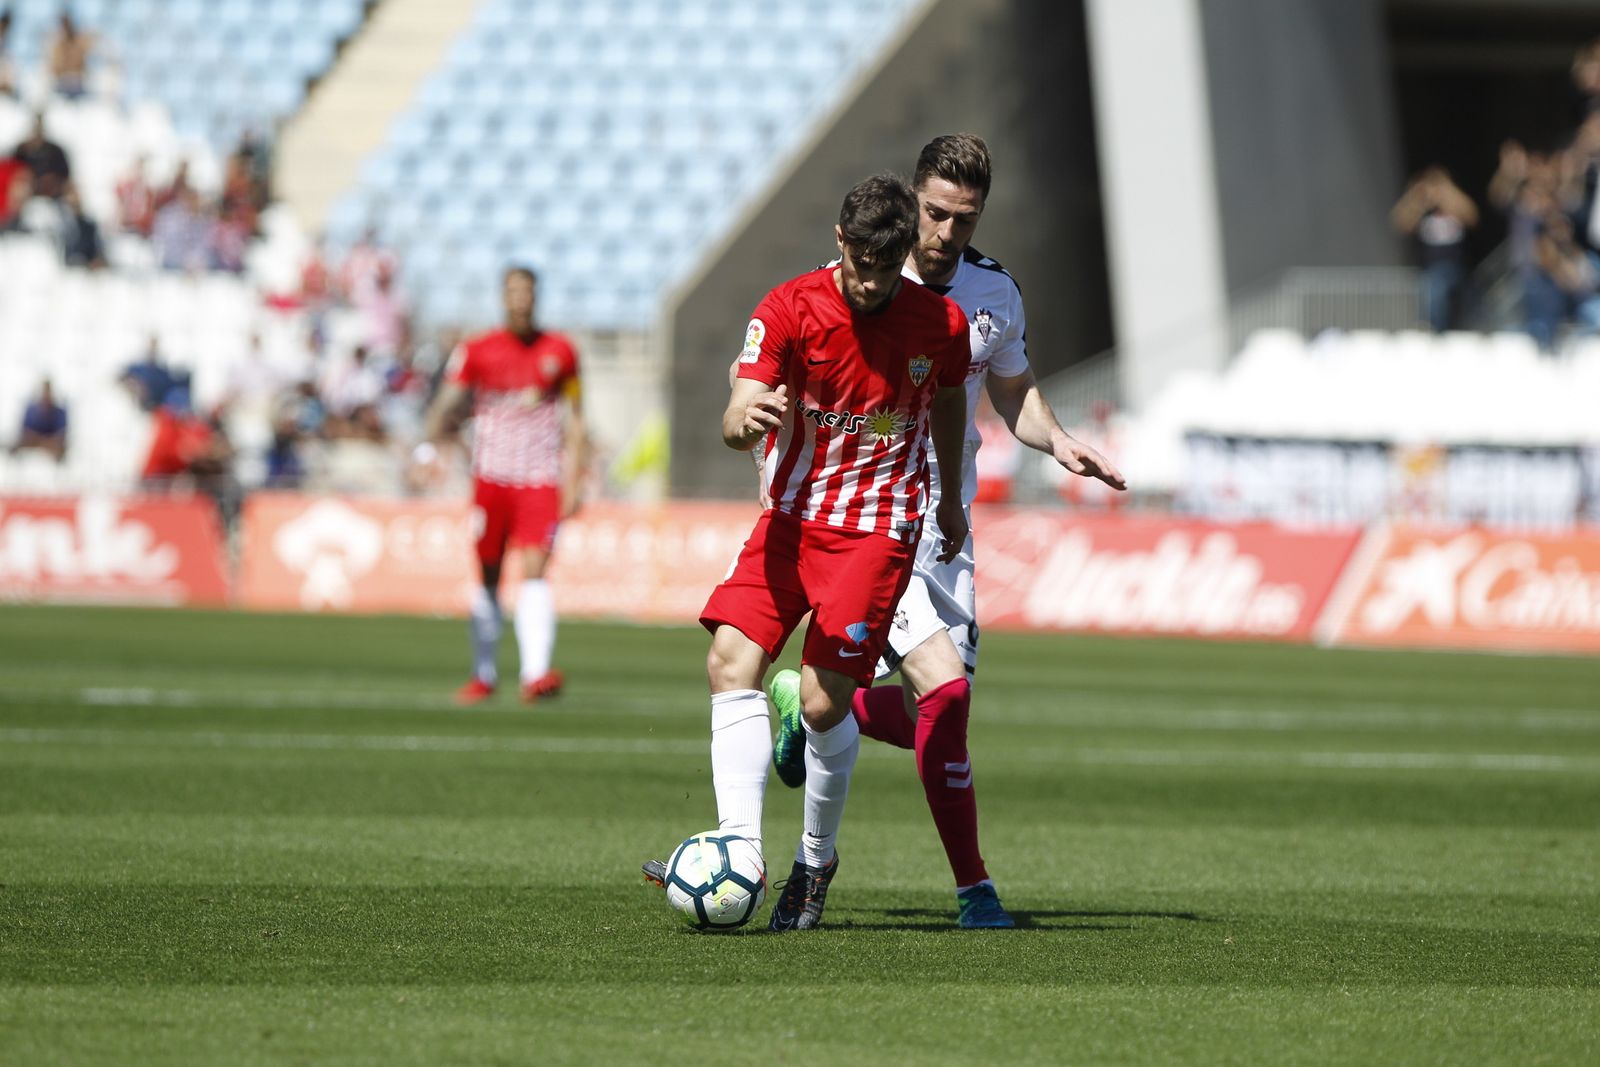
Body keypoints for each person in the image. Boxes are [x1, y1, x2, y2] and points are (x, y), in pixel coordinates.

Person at [766, 135, 1126, 929]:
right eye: (934, 212)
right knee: (949, 693)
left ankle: (818, 705)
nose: (944, 233)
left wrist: (1057, 439)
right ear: (912, 198)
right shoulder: (866, 281)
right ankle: (975, 890)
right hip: (873, 521)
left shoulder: (995, 293)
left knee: (942, 710)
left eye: (963, 219)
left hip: (947, 529)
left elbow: (1012, 387)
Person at [645, 173, 974, 933]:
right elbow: (738, 407)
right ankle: (743, 850)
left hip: (875, 532)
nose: (868, 281)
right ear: (840, 242)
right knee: (731, 661)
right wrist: (743, 417)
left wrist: (951, 498)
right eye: (859, 263)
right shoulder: (789, 307)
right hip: (790, 521)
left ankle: (816, 859)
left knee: (824, 705)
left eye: (884, 269)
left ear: (905, 258)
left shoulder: (940, 324)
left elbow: (951, 397)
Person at [418, 265, 587, 704]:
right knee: (489, 575)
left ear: (536, 296)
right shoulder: (477, 351)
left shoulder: (561, 352)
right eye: (513, 292)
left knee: (535, 570)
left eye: (527, 292)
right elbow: (445, 404)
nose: (520, 300)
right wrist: (429, 446)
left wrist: (575, 477)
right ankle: (484, 673)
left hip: (539, 481)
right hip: (491, 480)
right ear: (503, 297)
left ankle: (535, 674)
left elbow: (576, 418)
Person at [1390, 166, 1478, 332]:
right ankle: (1434, 331)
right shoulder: (1423, 211)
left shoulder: (1455, 207)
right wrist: (1416, 196)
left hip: (1457, 268)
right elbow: (1400, 223)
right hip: (1430, 269)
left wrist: (1447, 189)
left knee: (1454, 297)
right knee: (1435, 287)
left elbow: (1472, 217)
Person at [14, 379, 68, 461]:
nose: (45, 396)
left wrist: (44, 442)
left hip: (52, 444)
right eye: (43, 392)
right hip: (33, 442)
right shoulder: (31, 410)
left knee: (62, 449)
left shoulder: (60, 412)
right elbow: (25, 431)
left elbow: (61, 435)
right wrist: (41, 442)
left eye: (48, 393)